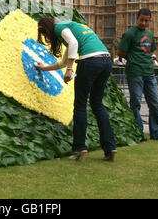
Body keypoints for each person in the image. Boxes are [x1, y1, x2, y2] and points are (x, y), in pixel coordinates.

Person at [35, 18, 117, 162]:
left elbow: (73, 43)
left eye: (45, 34)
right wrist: (44, 68)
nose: (47, 38)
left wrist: (69, 69)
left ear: (48, 28)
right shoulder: (75, 28)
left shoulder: (60, 27)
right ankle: (110, 147)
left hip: (90, 62)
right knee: (97, 104)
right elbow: (63, 61)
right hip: (105, 61)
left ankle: (79, 148)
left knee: (80, 105)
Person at [117, 8, 158, 141]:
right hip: (135, 72)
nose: (144, 23)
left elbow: (150, 51)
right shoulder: (130, 34)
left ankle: (156, 132)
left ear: (150, 21)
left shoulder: (149, 34)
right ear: (136, 18)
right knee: (136, 103)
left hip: (149, 72)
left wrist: (146, 59)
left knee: (155, 103)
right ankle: (138, 132)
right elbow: (120, 52)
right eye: (142, 20)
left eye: (147, 21)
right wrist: (132, 58)